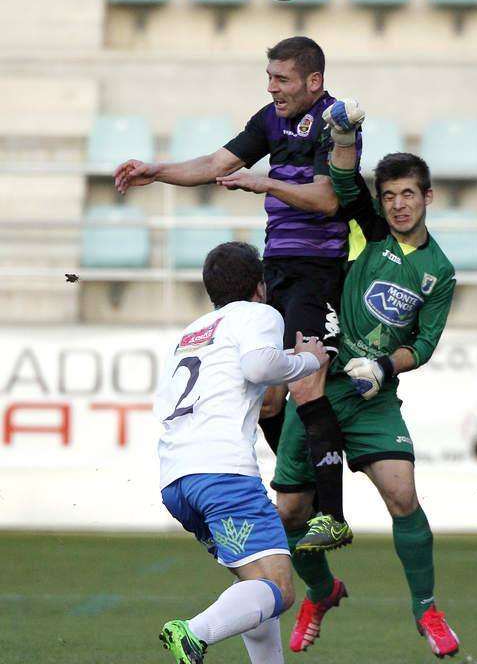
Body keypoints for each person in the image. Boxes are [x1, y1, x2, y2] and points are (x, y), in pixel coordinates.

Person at [114, 36, 364, 549]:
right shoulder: (270, 119)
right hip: (278, 267)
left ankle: (332, 512)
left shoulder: (338, 122)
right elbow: (216, 164)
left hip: (319, 271)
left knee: (307, 375)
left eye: (282, 79)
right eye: (270, 77)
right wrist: (157, 171)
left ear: (313, 81)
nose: (272, 87)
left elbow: (326, 199)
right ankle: (299, 492)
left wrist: (265, 184)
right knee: (271, 396)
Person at [271, 111, 460, 658]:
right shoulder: (370, 227)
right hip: (321, 387)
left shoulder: (440, 272)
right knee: (290, 515)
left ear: (429, 197)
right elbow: (347, 182)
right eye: (391, 195)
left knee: (403, 495)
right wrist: (345, 136)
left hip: (374, 397)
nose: (400, 204)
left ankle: (426, 609)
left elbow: (422, 345)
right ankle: (320, 591)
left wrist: (384, 369)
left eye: (409, 194)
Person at [155, 241, 328, 664]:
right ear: (260, 285)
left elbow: (265, 401)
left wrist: (279, 370)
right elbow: (258, 367)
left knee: (256, 589)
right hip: (223, 476)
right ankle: (192, 632)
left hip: (178, 480)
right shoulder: (259, 313)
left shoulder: (193, 331)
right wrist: (307, 362)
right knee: (280, 590)